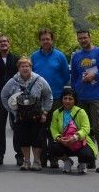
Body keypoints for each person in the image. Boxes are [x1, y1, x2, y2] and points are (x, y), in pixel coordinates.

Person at [70, 30, 99, 173]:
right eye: (80, 38)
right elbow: (74, 77)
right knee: (84, 131)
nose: (83, 40)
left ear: (90, 37)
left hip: (96, 97)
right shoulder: (76, 56)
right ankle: (89, 159)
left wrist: (95, 75)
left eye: (85, 37)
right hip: (81, 98)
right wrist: (75, 92)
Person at [1, 57, 53, 171]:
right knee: (23, 139)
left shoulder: (39, 80)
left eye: (27, 66)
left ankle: (37, 161)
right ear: (18, 68)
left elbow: (48, 95)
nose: (25, 68)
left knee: (37, 139)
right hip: (20, 115)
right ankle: (26, 161)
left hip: (36, 115)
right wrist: (12, 111)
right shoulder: (13, 81)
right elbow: (3, 95)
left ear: (31, 67)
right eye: (22, 66)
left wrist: (45, 112)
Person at [31, 28, 70, 168]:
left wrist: (57, 88)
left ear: (52, 40)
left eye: (48, 39)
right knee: (40, 130)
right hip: (38, 100)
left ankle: (54, 158)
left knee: (55, 130)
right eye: (43, 39)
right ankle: (41, 159)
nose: (45, 41)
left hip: (56, 98)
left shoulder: (60, 56)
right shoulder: (34, 56)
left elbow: (66, 76)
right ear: (40, 41)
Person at [0, 35, 21, 166]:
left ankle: (20, 155)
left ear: (9, 43)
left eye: (5, 41)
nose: (3, 44)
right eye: (1, 42)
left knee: (17, 127)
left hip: (15, 97)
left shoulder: (16, 59)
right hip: (0, 98)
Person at [49, 88, 98, 174]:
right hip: (64, 142)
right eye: (65, 98)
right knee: (53, 148)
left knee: (87, 155)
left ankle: (82, 163)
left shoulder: (81, 112)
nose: (67, 101)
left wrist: (75, 137)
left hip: (79, 142)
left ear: (74, 100)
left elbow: (86, 128)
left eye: (70, 99)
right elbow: (53, 128)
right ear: (62, 99)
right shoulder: (56, 112)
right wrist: (59, 138)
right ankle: (67, 161)